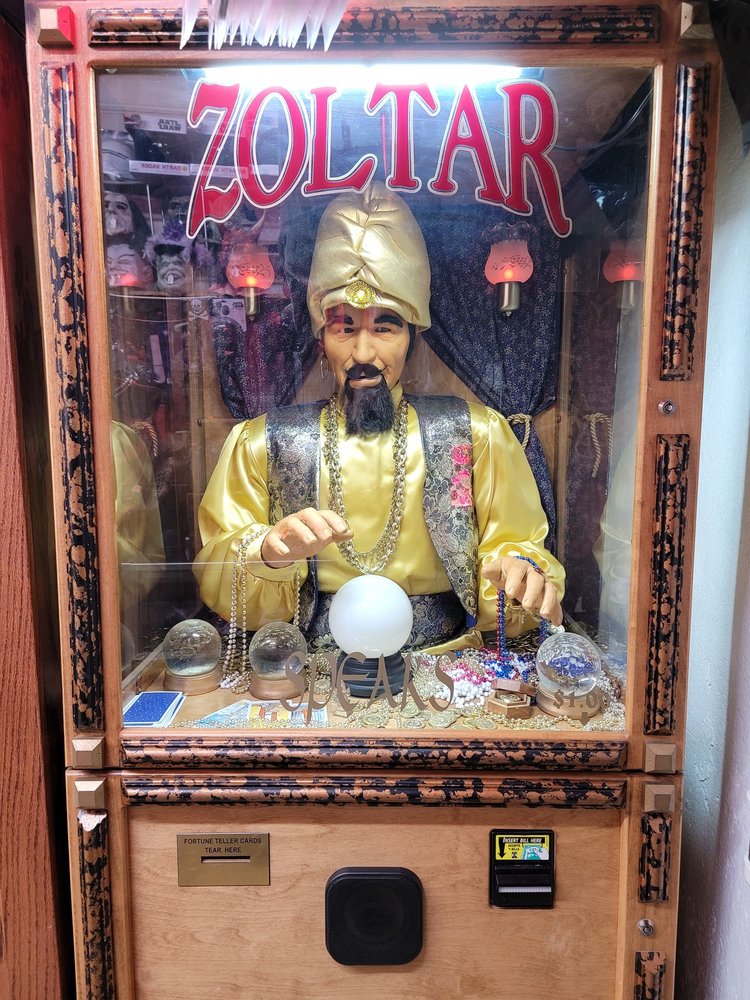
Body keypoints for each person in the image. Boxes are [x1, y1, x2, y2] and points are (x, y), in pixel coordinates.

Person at [193, 184, 564, 653]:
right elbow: (218, 568)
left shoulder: (475, 433)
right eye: (344, 328)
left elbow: (517, 546)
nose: (363, 352)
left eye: (384, 327)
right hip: (306, 664)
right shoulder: (263, 442)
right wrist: (266, 553)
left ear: (413, 336)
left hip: (443, 659)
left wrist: (517, 570)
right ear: (321, 338)